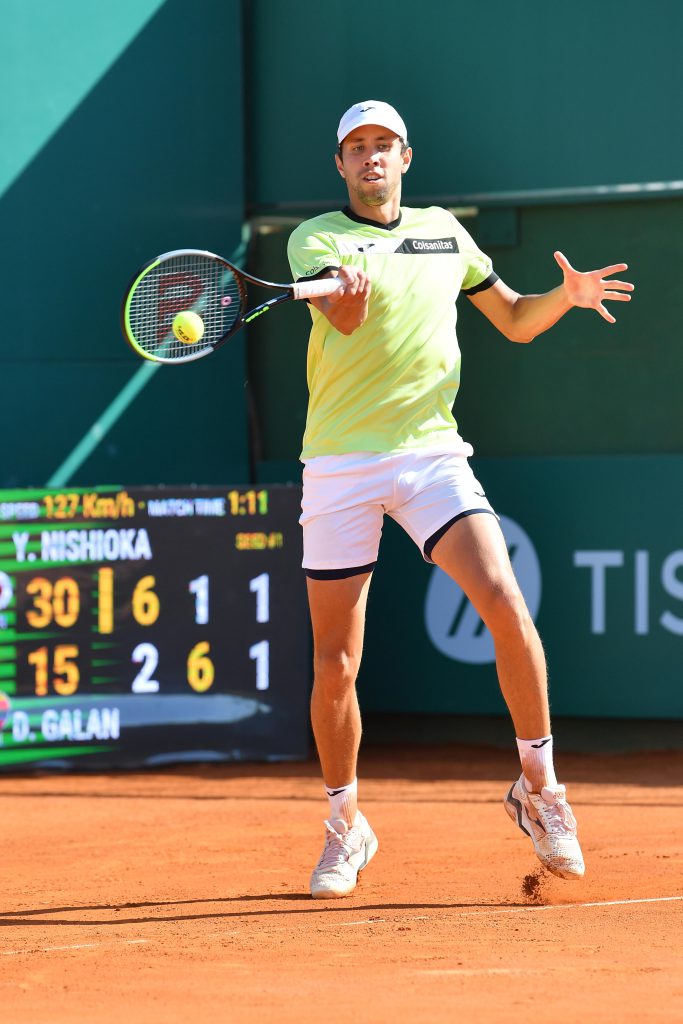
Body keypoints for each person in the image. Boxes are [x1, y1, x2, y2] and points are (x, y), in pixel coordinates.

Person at [286, 100, 634, 899]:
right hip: (339, 464)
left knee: (505, 602)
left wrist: (563, 297)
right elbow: (342, 320)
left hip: (432, 454)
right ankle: (346, 825)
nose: (370, 158)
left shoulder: (447, 232)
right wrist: (345, 296)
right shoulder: (317, 239)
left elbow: (511, 320)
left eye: (383, 145)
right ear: (339, 165)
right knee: (335, 661)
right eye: (355, 148)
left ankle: (540, 790)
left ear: (406, 156)